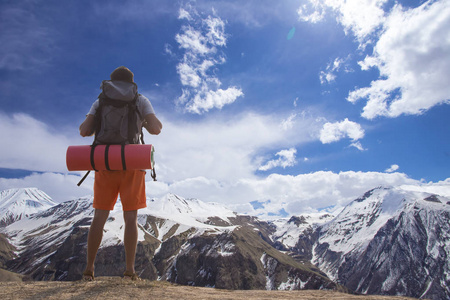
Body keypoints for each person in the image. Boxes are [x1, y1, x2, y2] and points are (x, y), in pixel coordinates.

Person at [79, 66, 162, 281]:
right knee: (131, 217)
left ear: (111, 82)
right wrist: (144, 121)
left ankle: (89, 270)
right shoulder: (140, 100)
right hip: (131, 163)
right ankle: (129, 271)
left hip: (105, 162)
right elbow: (156, 128)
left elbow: (84, 130)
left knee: (99, 217)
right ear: (132, 83)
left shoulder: (100, 101)